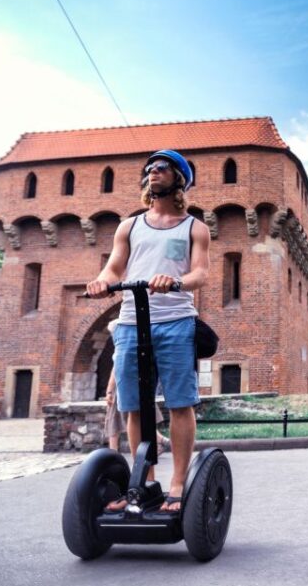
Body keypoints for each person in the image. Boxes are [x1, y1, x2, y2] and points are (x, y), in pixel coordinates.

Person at [86, 149, 210, 514]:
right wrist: (101, 282)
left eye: (162, 169)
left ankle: (176, 485)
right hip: (129, 323)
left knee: (179, 403)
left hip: (176, 321)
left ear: (179, 180)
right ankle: (145, 481)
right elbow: (114, 269)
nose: (153, 173)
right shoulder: (130, 225)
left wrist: (174, 282)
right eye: (150, 169)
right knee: (134, 406)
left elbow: (201, 274)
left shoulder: (195, 228)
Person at [103, 321, 171, 453]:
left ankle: (114, 451)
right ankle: (158, 441)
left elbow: (116, 370)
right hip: (134, 385)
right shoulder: (127, 345)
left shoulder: (122, 347)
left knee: (119, 419)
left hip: (123, 387)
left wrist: (110, 391)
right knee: (138, 415)